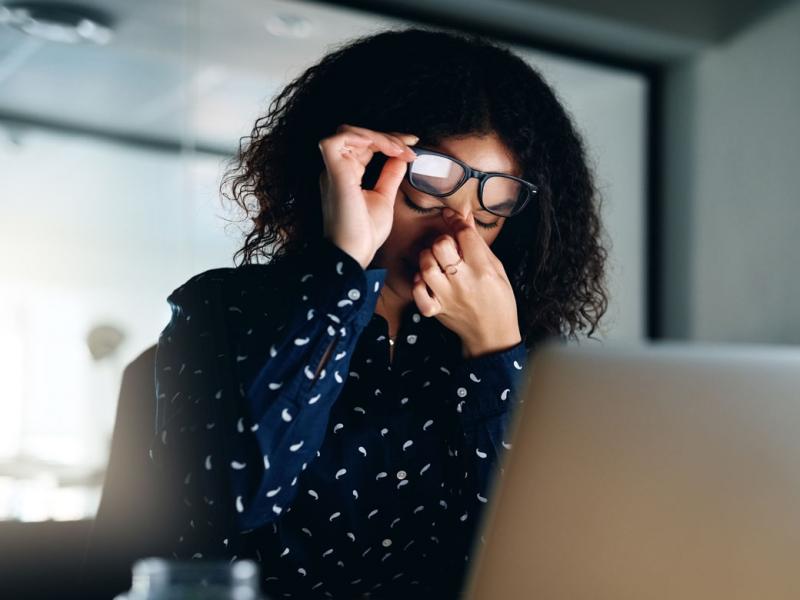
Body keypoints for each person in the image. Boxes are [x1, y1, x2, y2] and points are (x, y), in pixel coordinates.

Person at [149, 27, 607, 600]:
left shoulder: (528, 350)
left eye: (494, 207)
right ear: (369, 169)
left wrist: (496, 352)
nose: (460, 228)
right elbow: (234, 504)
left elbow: (547, 558)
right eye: (430, 187)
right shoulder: (224, 307)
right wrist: (343, 271)